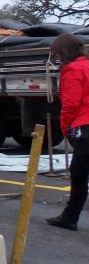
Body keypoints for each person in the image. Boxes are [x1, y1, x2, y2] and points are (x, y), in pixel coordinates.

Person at [46, 33, 89, 231]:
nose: (57, 59)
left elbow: (70, 104)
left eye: (57, 54)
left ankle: (69, 217)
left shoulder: (72, 70)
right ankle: (69, 217)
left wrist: (66, 128)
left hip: (84, 128)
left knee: (79, 175)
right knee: (79, 173)